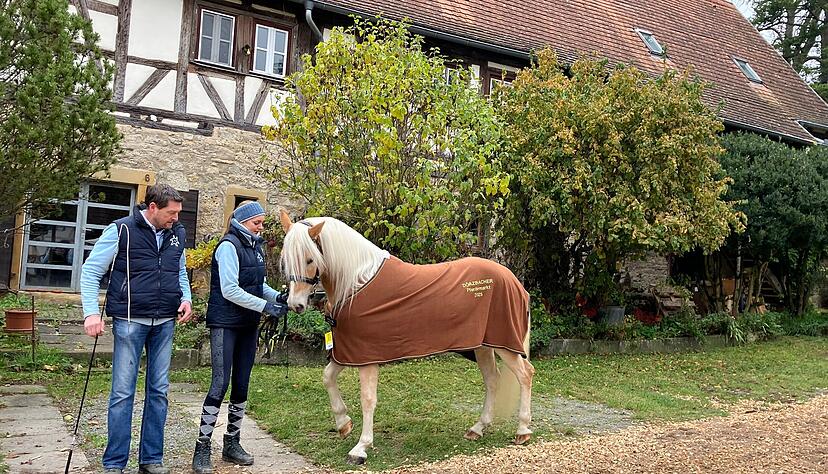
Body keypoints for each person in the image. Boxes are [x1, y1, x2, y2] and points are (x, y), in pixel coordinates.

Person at [81, 184, 193, 474]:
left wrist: (186, 298)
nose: (176, 218)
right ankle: (114, 464)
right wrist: (91, 313)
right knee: (122, 393)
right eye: (171, 213)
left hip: (165, 322)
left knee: (159, 392)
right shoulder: (121, 230)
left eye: (178, 213)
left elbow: (179, 270)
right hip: (130, 321)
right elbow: (91, 271)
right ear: (152, 208)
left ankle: (151, 460)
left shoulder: (177, 233)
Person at [191, 201, 288, 474]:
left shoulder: (255, 247)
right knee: (219, 385)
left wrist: (278, 298)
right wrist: (266, 306)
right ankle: (202, 447)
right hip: (225, 323)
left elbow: (259, 285)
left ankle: (232, 442)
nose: (261, 227)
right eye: (257, 223)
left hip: (248, 324)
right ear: (242, 222)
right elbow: (230, 289)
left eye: (262, 223)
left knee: (242, 385)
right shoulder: (228, 246)